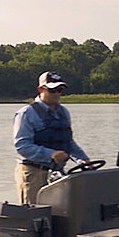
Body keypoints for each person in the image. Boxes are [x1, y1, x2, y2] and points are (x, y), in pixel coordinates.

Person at [13, 71, 89, 206]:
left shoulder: (63, 112)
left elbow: (68, 142)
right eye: (52, 90)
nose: (57, 94)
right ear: (41, 89)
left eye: (60, 90)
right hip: (33, 173)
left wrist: (82, 160)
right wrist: (51, 154)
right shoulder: (26, 113)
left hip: (58, 174)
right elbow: (22, 146)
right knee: (34, 216)